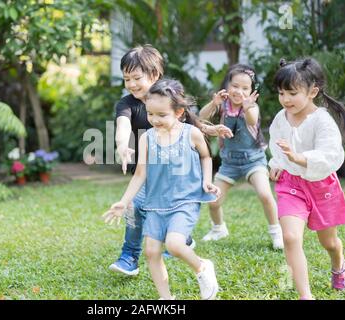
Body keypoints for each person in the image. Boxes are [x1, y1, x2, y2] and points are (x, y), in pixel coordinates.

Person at [110, 44, 232, 276]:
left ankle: (181, 237)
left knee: (174, 207)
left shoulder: (168, 98)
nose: (131, 84)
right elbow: (123, 124)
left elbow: (189, 122)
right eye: (127, 79)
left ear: (155, 75)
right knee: (134, 208)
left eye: (136, 77)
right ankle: (129, 256)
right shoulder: (126, 104)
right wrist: (122, 145)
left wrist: (210, 129)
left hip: (177, 173)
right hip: (147, 173)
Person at [104, 78, 221, 300]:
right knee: (151, 252)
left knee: (175, 245)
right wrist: (124, 200)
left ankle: (202, 267)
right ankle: (166, 299)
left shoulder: (191, 133)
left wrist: (207, 180)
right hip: (155, 204)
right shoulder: (147, 139)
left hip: (184, 201)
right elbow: (140, 174)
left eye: (161, 115)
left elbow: (206, 156)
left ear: (178, 112)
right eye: (150, 114)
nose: (154, 120)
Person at [269, 58, 345, 299]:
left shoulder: (322, 120)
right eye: (281, 93)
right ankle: (306, 295)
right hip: (290, 184)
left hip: (321, 185)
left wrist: (299, 158)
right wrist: (277, 163)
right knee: (290, 236)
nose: (285, 99)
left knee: (329, 243)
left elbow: (329, 155)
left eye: (292, 93)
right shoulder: (281, 117)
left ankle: (338, 262)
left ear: (313, 91)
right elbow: (278, 147)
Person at [198, 64, 283, 249]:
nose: (239, 91)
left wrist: (247, 107)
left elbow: (252, 120)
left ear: (252, 91)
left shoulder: (252, 107)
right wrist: (214, 104)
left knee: (265, 195)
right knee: (213, 199)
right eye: (235, 86)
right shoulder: (223, 106)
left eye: (245, 88)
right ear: (228, 85)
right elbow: (200, 117)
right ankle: (218, 228)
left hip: (254, 160)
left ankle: (276, 232)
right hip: (229, 163)